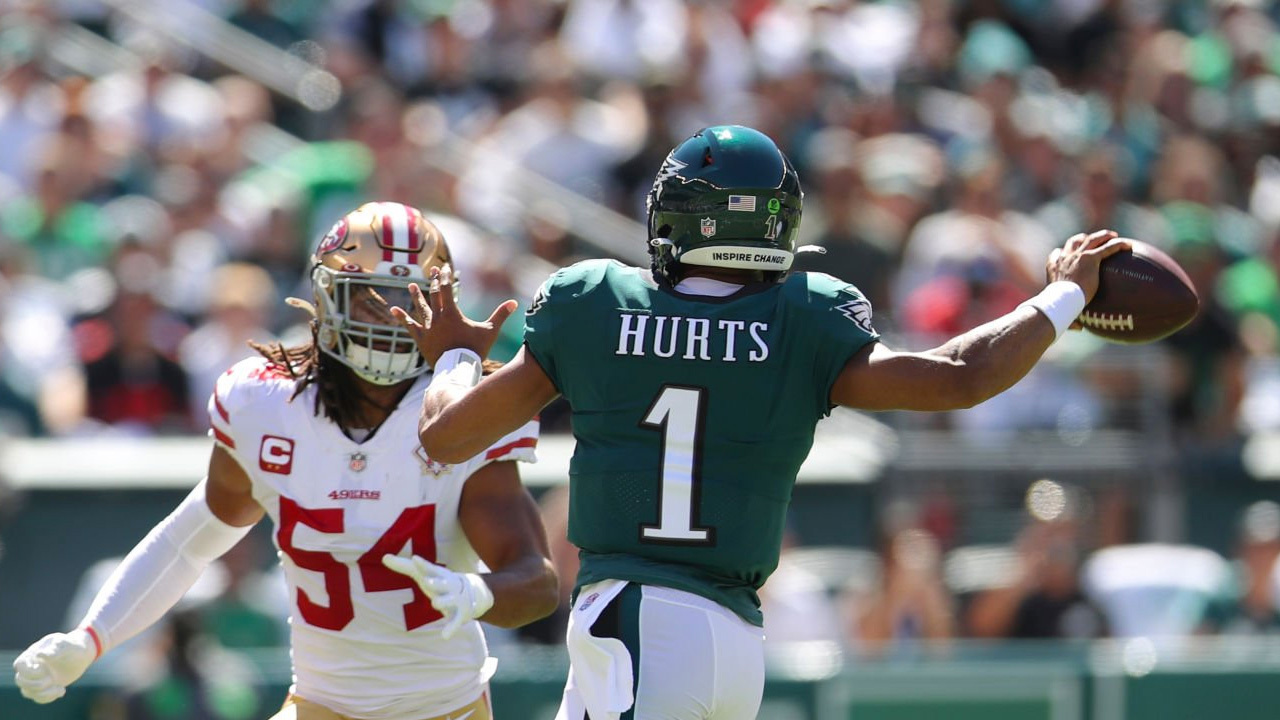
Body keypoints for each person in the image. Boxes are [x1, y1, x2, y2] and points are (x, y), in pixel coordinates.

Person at [393, 125, 1128, 720]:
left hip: (637, 616)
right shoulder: (803, 320)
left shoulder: (597, 304)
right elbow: (964, 376)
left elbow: (445, 436)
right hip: (735, 638)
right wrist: (1062, 297)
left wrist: (457, 356)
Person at [12, 201, 559, 720]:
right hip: (319, 703)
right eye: (370, 296)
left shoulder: (467, 415)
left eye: (406, 299)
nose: (390, 318)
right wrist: (92, 636)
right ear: (325, 296)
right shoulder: (266, 403)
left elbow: (536, 583)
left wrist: (477, 592)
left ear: (438, 305)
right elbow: (190, 540)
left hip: (442, 709)